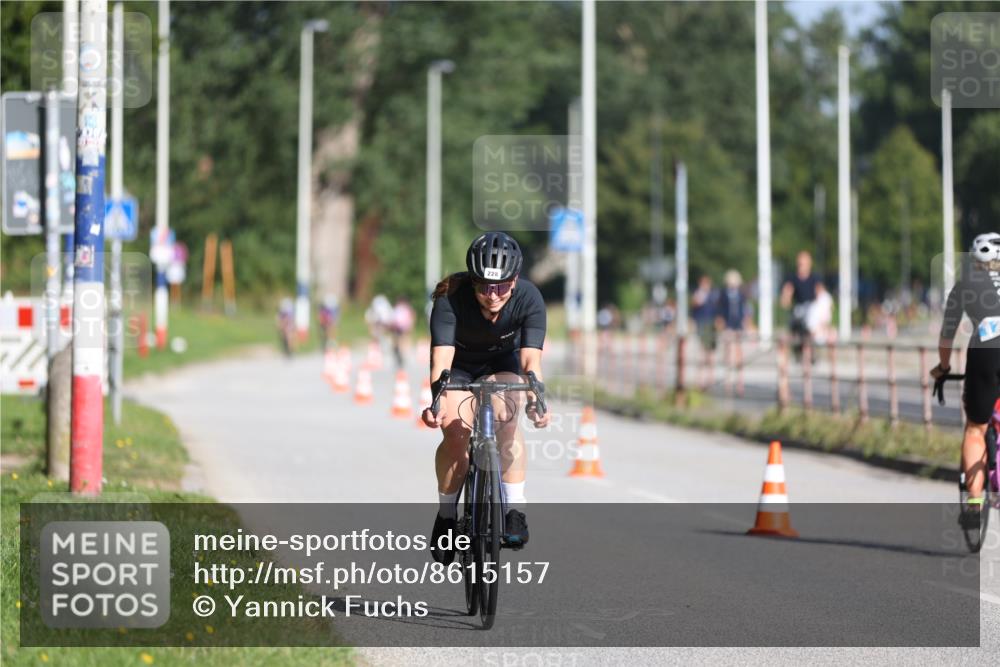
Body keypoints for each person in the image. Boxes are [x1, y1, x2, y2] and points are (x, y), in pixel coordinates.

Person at [421, 232, 549, 564]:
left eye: (501, 287)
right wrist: (436, 403)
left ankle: (514, 511)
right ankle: (447, 516)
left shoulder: (529, 298)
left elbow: (531, 363)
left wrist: (537, 399)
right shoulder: (451, 298)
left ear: (515, 280)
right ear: (472, 281)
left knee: (506, 421)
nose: (492, 295)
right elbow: (441, 362)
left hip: (500, 365)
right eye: (483, 287)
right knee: (455, 431)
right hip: (458, 368)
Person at [932, 232, 1000, 528]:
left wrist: (943, 367)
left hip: (986, 351)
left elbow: (947, 335)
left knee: (975, 428)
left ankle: (973, 507)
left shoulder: (964, 285)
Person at [781, 251, 821, 361]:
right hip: (798, 309)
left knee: (810, 330)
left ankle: (811, 352)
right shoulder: (793, 278)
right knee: (791, 332)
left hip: (811, 310)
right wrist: (786, 298)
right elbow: (787, 292)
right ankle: (796, 352)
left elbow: (820, 294)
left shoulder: (814, 278)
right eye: (799, 264)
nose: (800, 266)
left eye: (803, 264)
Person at [715, 270, 750, 395]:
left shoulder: (741, 295)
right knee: (729, 353)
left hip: (738, 325)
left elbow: (745, 311)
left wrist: (746, 324)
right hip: (728, 325)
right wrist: (721, 322)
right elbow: (719, 311)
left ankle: (740, 382)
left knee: (739, 353)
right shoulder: (724, 294)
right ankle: (728, 382)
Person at [691, 275, 718, 389]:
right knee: (703, 351)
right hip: (702, 324)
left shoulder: (713, 295)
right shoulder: (698, 294)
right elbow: (694, 306)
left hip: (711, 325)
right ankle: (700, 379)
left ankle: (710, 378)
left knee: (710, 352)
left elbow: (717, 309)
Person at [389, 296, 416, 368]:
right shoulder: (401, 308)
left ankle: (401, 354)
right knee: (399, 342)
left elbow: (411, 316)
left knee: (401, 341)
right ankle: (400, 353)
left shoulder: (401, 308)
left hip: (401, 327)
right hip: (399, 327)